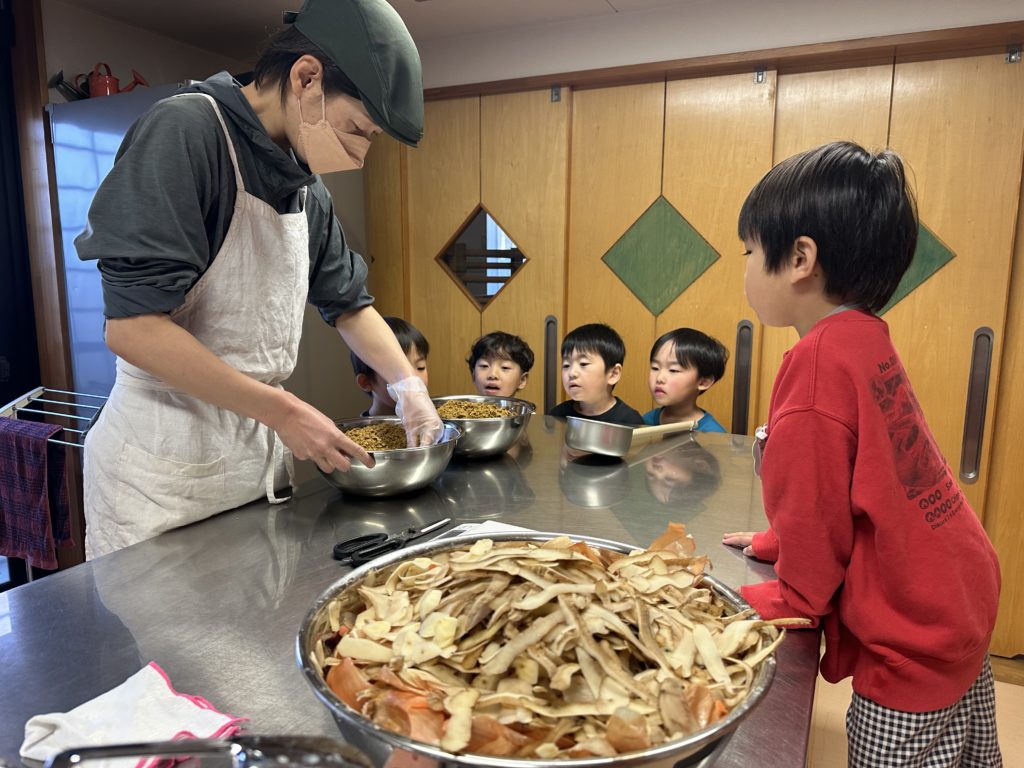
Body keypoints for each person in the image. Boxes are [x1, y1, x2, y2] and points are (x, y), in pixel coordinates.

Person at [77, 0, 443, 559]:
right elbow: (133, 330)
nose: (359, 155)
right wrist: (286, 411)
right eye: (356, 129)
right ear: (306, 77)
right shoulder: (186, 132)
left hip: (254, 461)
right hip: (163, 469)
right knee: (165, 644)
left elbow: (349, 305)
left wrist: (406, 387)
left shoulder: (303, 185)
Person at [722, 141, 1002, 767]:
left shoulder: (815, 366)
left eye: (748, 252)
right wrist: (776, 541)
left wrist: (785, 599)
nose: (743, 269)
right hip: (957, 591)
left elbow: (816, 516)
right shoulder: (864, 336)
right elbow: (866, 479)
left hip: (912, 629)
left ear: (799, 258)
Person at [547, 323, 643, 425]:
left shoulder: (630, 421)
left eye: (583, 364)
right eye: (566, 365)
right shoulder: (557, 416)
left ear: (613, 374)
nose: (572, 373)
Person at [643, 328, 728, 432]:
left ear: (703, 382)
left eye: (673, 370)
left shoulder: (712, 434)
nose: (659, 378)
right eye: (655, 368)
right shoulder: (646, 421)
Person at [351, 317, 429, 416]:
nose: (414, 379)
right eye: (398, 371)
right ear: (366, 382)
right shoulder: (360, 430)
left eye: (420, 367)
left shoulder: (435, 418)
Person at [466, 331, 534, 398]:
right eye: (484, 366)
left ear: (522, 380)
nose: (492, 375)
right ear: (473, 375)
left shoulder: (525, 409)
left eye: (505, 367)